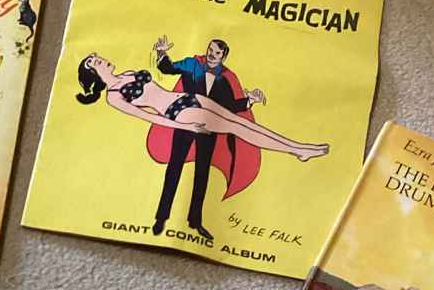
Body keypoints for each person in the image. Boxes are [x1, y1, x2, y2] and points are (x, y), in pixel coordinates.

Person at [76, 53, 328, 241]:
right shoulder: (113, 96)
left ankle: (298, 148)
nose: (102, 59)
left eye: (98, 57)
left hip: (189, 98)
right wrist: (184, 127)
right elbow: (149, 117)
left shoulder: (129, 73)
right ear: (94, 72)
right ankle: (297, 150)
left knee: (241, 123)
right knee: (236, 128)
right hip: (176, 113)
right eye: (96, 61)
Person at [151, 37, 263, 240]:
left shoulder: (224, 80)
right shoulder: (192, 64)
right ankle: (161, 217)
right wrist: (161, 53)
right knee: (174, 168)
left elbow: (230, 107)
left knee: (202, 175)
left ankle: (195, 221)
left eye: (217, 53)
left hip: (208, 132)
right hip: (185, 125)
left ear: (223, 57)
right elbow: (168, 68)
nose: (212, 54)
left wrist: (250, 101)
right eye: (210, 50)